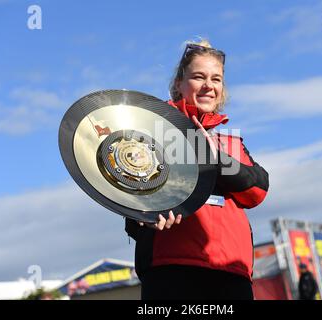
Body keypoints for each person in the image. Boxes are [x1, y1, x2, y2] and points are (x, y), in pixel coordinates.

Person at [124, 39, 269, 300]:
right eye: (199, 77)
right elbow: (130, 199)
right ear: (179, 84)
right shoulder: (152, 136)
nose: (209, 86)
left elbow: (258, 190)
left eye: (216, 79)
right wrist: (143, 219)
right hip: (171, 271)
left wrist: (216, 158)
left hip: (232, 272)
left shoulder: (230, 142)